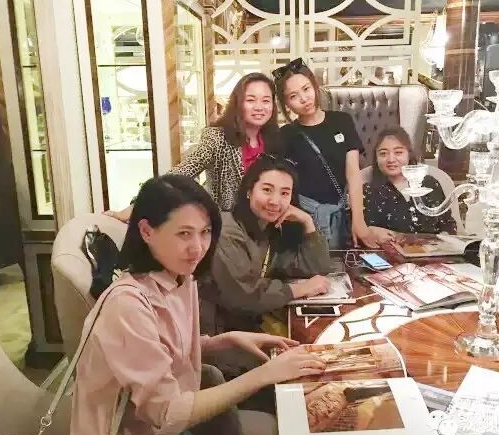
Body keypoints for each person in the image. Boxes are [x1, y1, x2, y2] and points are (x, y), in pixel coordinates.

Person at [71, 175, 326, 435]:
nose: (198, 248)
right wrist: (264, 375)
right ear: (146, 231)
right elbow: (165, 414)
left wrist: (227, 340)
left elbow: (166, 349)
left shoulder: (182, 277)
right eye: (184, 233)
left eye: (205, 232)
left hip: (160, 425)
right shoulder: (127, 305)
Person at [107, 72, 281, 221]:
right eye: (251, 100)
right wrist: (137, 206)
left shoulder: (274, 141)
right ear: (238, 103)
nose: (259, 107)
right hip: (228, 225)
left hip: (264, 225)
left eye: (266, 101)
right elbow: (182, 172)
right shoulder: (218, 138)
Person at [201, 154, 333, 336]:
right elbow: (242, 296)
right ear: (249, 191)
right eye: (267, 190)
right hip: (218, 335)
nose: (275, 201)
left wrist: (307, 222)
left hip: (249, 327)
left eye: (284, 193)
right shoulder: (227, 231)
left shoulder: (270, 228)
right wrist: (299, 289)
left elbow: (315, 269)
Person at [273, 58, 378, 249]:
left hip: (341, 213)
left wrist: (359, 220)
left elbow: (353, 174)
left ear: (315, 86)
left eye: (306, 89)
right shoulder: (285, 134)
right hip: (306, 218)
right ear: (286, 103)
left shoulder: (342, 121)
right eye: (294, 96)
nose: (304, 98)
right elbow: (285, 183)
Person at [363, 127, 457, 242]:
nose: (391, 159)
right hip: (389, 252)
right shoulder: (368, 192)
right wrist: (370, 231)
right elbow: (358, 232)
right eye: (383, 154)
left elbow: (448, 224)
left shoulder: (430, 184)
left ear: (409, 154)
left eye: (398, 152)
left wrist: (443, 242)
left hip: (433, 250)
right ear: (376, 158)